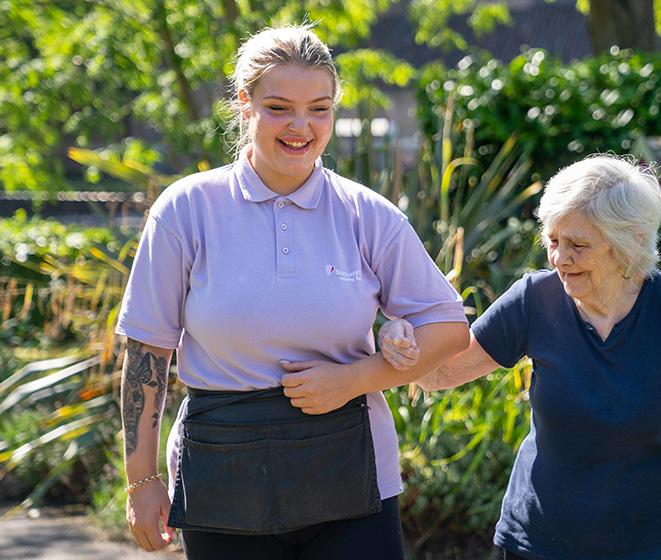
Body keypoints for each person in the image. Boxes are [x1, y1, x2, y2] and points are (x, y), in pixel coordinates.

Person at [115, 25, 469, 560]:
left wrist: (355, 378)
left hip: (354, 477)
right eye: (279, 107)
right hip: (222, 474)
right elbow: (147, 352)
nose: (301, 126)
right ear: (244, 104)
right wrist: (141, 483)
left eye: (320, 108)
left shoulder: (367, 215)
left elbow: (449, 331)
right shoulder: (186, 209)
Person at [379, 155, 661, 560]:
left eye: (578, 245)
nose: (559, 259)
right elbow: (438, 374)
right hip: (542, 545)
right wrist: (403, 335)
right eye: (553, 240)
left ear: (632, 241)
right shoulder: (535, 299)